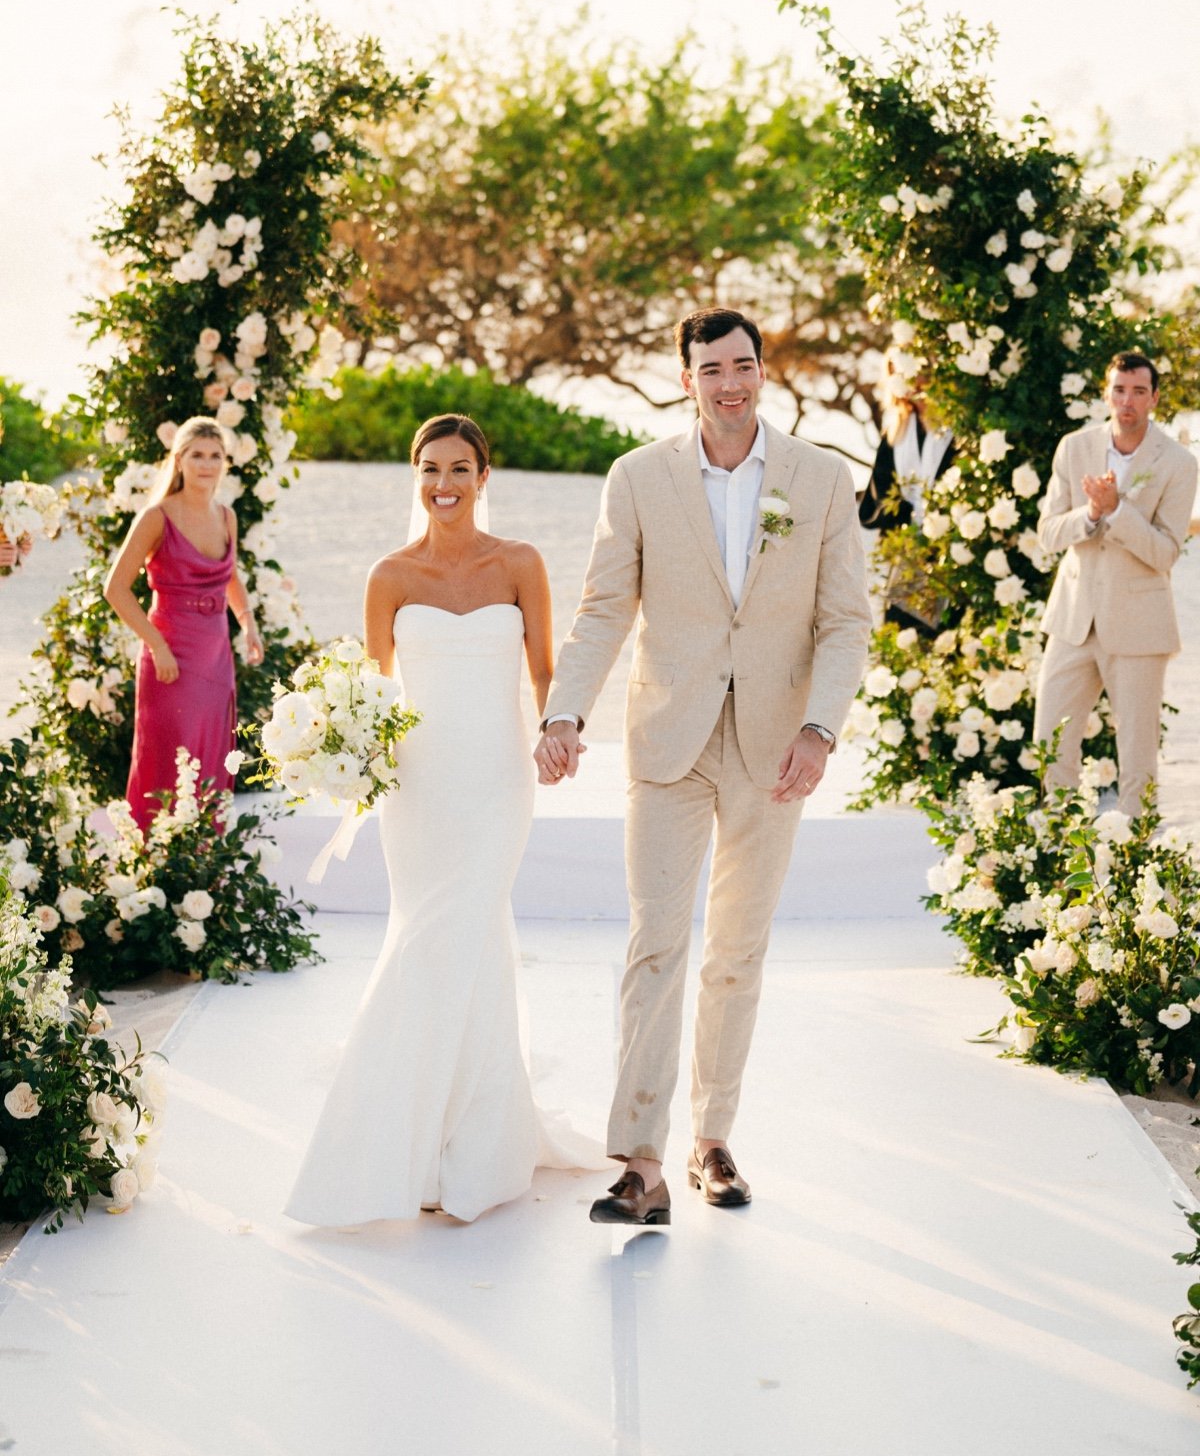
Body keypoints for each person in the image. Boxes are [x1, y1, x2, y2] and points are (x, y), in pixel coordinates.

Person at [535, 308, 871, 1227]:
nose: (731, 383)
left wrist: (819, 730)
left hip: (775, 749)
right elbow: (604, 607)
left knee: (737, 950)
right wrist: (565, 710)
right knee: (655, 943)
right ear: (686, 379)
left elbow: (846, 620)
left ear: (765, 372)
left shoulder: (820, 477)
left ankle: (712, 1140)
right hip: (667, 738)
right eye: (712, 369)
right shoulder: (638, 478)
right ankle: (640, 1160)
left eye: (745, 366)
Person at [285, 414, 601, 1227]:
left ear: (484, 476)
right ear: (415, 477)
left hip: (498, 780)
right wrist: (344, 754)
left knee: (470, 931)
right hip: (417, 787)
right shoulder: (388, 575)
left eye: (460, 468)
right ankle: (419, 1144)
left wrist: (557, 733)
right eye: (430, 469)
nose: (444, 484)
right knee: (434, 938)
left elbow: (546, 672)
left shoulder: (520, 564)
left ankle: (474, 1146)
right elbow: (370, 694)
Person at [1034, 350, 1197, 817]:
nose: (1127, 401)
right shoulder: (1074, 448)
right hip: (1072, 619)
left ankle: (1133, 861)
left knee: (1138, 755)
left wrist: (1118, 512)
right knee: (1050, 740)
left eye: (1138, 392)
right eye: (1119, 390)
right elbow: (1048, 533)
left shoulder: (1180, 463)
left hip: (1140, 625)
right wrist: (1090, 513)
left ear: (1154, 399)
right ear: (1107, 393)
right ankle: (1057, 844)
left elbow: (1166, 552)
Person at [104, 417, 264, 830]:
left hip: (215, 656)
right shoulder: (156, 517)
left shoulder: (226, 516)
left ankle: (203, 866)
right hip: (170, 654)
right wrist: (156, 645)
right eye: (197, 455)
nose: (206, 464)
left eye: (215, 456)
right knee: (169, 756)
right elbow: (115, 588)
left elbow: (229, 575)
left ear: (225, 462)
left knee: (210, 755)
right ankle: (154, 861)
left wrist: (248, 623)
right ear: (179, 460)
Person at [858, 350, 955, 535]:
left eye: (911, 372)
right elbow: (883, 493)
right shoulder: (894, 435)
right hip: (909, 541)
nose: (907, 381)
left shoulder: (954, 424)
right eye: (897, 375)